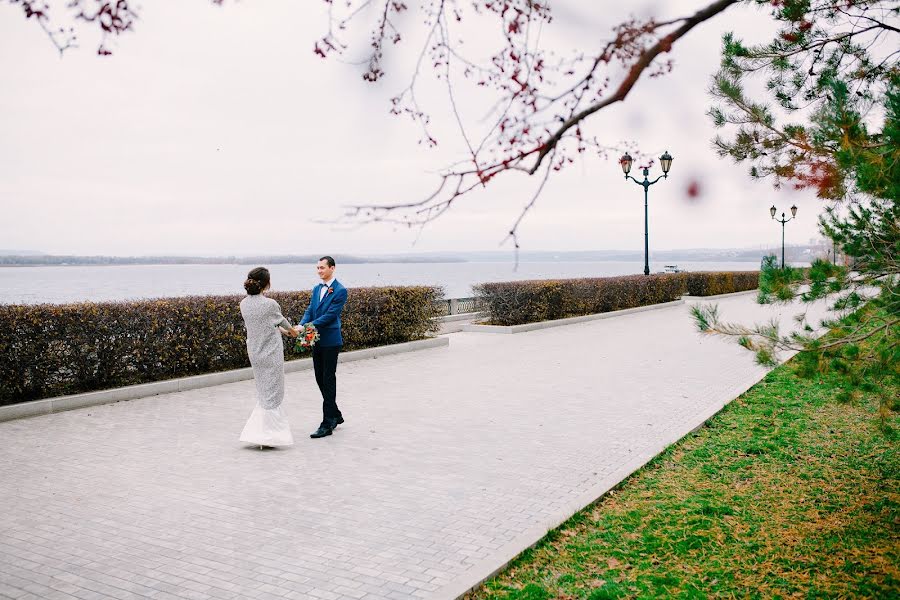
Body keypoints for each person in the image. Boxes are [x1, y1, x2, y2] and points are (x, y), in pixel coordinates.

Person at [291, 256, 348, 439]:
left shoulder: (340, 291)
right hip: (316, 340)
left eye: (322, 268)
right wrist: (301, 324)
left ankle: (327, 423)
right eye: (317, 268)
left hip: (331, 340)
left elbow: (330, 316)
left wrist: (307, 327)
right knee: (319, 378)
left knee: (328, 379)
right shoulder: (316, 289)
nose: (319, 271)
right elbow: (310, 310)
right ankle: (335, 414)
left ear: (332, 268)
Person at [238, 267, 295, 448]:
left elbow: (265, 326)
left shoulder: (243, 304)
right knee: (274, 392)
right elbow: (284, 324)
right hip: (271, 353)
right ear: (267, 283)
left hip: (255, 353)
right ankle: (270, 435)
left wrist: (283, 331)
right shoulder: (270, 304)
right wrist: (294, 332)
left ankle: (259, 433)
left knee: (263, 392)